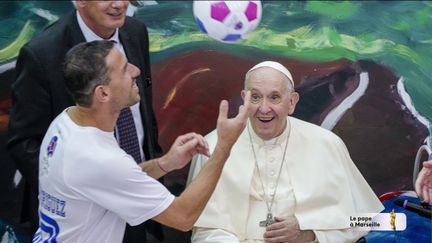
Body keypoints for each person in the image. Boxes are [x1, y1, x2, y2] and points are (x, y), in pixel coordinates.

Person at [32, 40, 252, 243]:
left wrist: (165, 163)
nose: (136, 71)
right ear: (103, 93)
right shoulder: (99, 159)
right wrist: (224, 146)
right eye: (125, 69)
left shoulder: (66, 122)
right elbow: (183, 217)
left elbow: (114, 180)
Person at [8, 1, 162, 241]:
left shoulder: (136, 32)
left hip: (139, 199)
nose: (119, 4)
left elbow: (142, 109)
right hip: (82, 218)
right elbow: (24, 142)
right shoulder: (42, 54)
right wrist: (78, 191)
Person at [188, 61, 384, 243]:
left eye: (274, 97)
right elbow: (203, 230)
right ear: (243, 100)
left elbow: (374, 222)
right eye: (255, 97)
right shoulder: (213, 147)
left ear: (291, 102)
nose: (264, 108)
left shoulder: (327, 144)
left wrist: (309, 232)